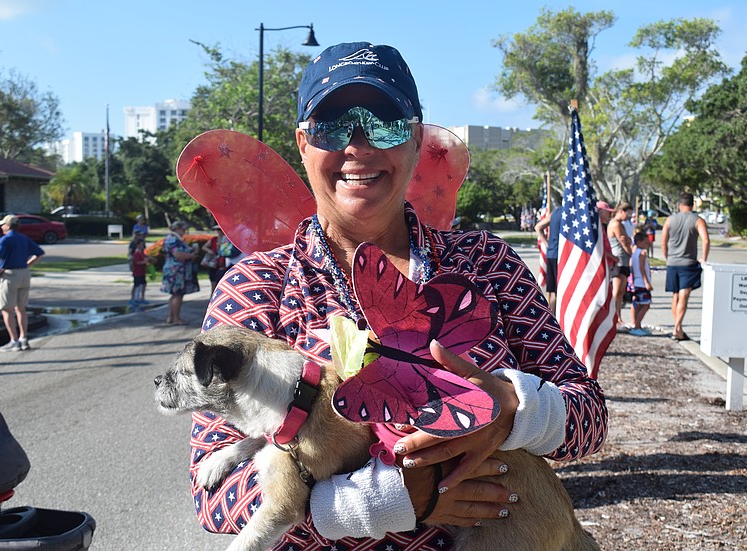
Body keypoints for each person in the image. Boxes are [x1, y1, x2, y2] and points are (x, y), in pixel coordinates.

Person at [189, 41, 608, 550]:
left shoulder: (486, 264)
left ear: (414, 140)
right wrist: (390, 498)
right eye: (332, 125)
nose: (358, 145)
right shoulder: (259, 287)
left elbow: (589, 417)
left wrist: (510, 410)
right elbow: (215, 496)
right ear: (303, 143)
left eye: (383, 122)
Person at [0, 215, 44, 351]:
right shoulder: (23, 238)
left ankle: (14, 341)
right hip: (24, 273)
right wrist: (27, 264)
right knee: (21, 308)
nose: (1, 227)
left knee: (7, 309)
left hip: (10, 274)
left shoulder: (6, 239)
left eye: (3, 225)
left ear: (8, 226)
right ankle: (23, 338)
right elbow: (39, 253)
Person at [661, 192, 709, 341]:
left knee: (675, 295)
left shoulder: (670, 220)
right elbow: (706, 240)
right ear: (692, 204)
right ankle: (677, 328)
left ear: (680, 205)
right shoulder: (698, 220)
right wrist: (703, 258)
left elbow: (663, 241)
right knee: (684, 295)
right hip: (688, 263)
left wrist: (667, 257)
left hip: (673, 262)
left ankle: (678, 328)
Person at [160, 220, 199, 325]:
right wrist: (191, 256)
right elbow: (177, 254)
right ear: (177, 228)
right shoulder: (173, 239)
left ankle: (171, 317)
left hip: (173, 269)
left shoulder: (172, 239)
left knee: (174, 294)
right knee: (178, 294)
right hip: (177, 270)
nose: (184, 231)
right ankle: (176, 318)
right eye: (183, 229)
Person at [607, 202, 633, 330]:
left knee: (621, 291)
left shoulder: (620, 224)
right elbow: (623, 240)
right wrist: (630, 252)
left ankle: (618, 316)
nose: (629, 217)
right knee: (616, 291)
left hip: (623, 260)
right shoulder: (616, 224)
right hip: (619, 259)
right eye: (628, 214)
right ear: (622, 211)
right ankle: (613, 317)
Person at [534, 205, 562, 312]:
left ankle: (551, 318)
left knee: (554, 292)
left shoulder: (554, 213)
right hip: (560, 256)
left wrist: (547, 244)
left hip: (551, 253)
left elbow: (538, 227)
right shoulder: (569, 213)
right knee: (560, 290)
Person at [628, 231, 653, 336]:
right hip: (642, 282)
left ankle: (636, 324)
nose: (647, 245)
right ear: (639, 242)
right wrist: (647, 282)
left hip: (636, 282)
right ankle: (637, 325)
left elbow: (632, 267)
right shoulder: (642, 253)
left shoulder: (634, 253)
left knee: (638, 304)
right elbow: (642, 268)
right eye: (646, 243)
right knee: (646, 304)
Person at [129, 237, 150, 309]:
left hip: (142, 272)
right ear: (137, 245)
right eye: (141, 244)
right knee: (136, 285)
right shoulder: (137, 253)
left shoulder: (141, 253)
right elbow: (137, 262)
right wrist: (145, 261)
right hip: (137, 272)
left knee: (143, 284)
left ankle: (142, 298)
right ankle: (133, 298)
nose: (142, 246)